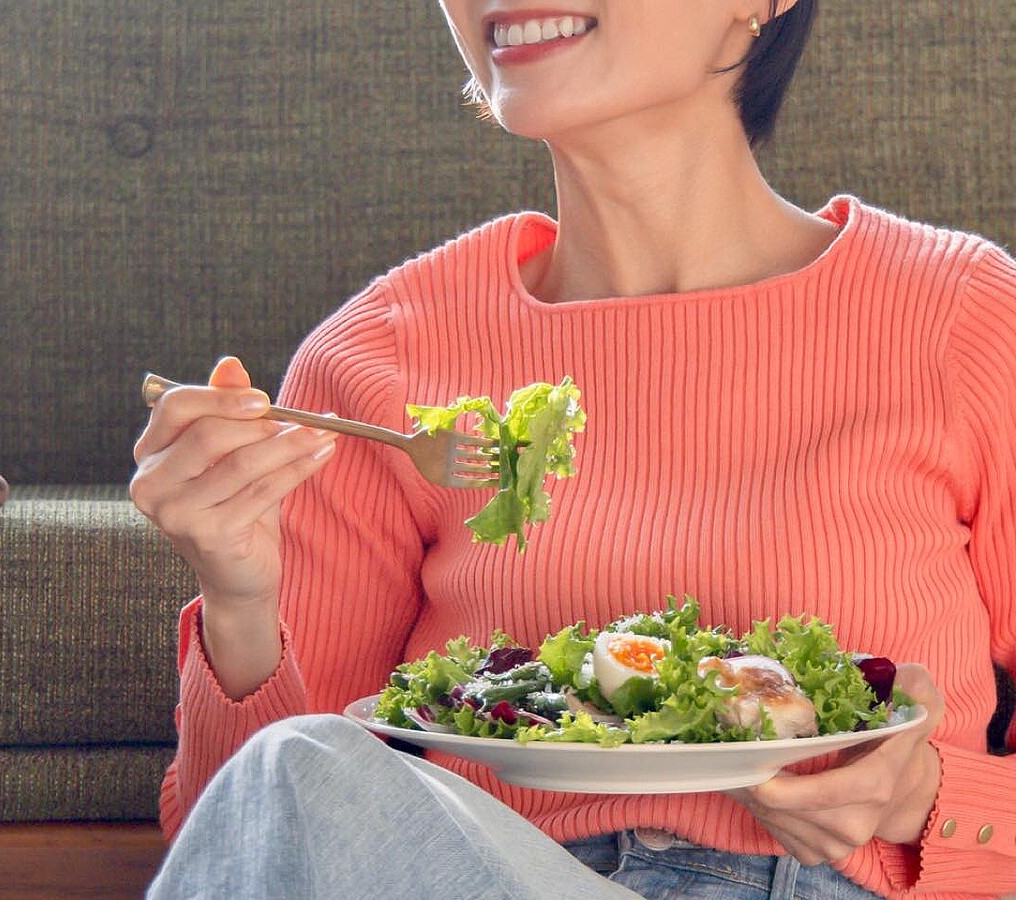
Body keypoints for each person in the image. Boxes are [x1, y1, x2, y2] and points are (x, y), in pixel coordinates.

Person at [130, 0, 1016, 897]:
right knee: (298, 767)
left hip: (822, 884)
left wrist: (934, 802)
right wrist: (238, 600)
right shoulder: (383, 357)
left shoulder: (964, 321)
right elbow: (255, 835)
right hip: (492, 874)